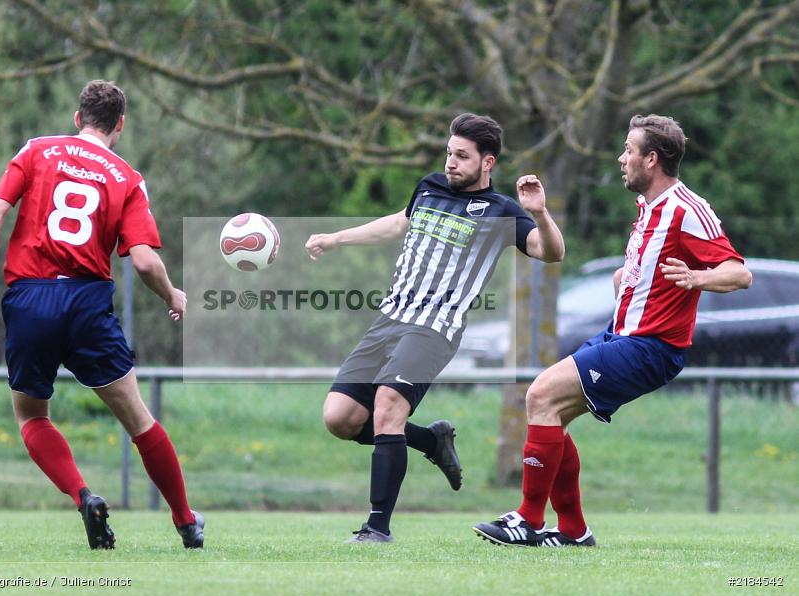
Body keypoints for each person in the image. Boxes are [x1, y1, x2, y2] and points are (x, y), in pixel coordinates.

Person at [473, 114, 752, 548]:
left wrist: (698, 278)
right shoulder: (649, 208)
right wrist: (627, 277)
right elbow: (648, 269)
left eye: (628, 150)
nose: (622, 158)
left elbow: (738, 274)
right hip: (622, 335)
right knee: (553, 415)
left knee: (540, 395)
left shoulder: (686, 208)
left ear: (652, 159)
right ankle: (573, 531)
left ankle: (527, 519)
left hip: (650, 347)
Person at [0, 80, 204, 550]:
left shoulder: (36, 150)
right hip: (88, 304)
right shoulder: (127, 178)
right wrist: (173, 296)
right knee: (140, 422)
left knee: (32, 416)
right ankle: (186, 522)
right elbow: (147, 262)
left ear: (77, 118)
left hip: (29, 299)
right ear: (120, 126)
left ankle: (84, 495)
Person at [305, 113, 565, 543]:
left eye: (462, 156)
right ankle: (430, 440)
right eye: (449, 153)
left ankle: (377, 528)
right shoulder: (428, 187)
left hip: (435, 327)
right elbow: (397, 223)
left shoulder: (501, 211)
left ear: (487, 163)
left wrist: (540, 214)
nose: (451, 162)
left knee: (388, 406)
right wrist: (336, 238)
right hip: (390, 318)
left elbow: (550, 252)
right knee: (340, 418)